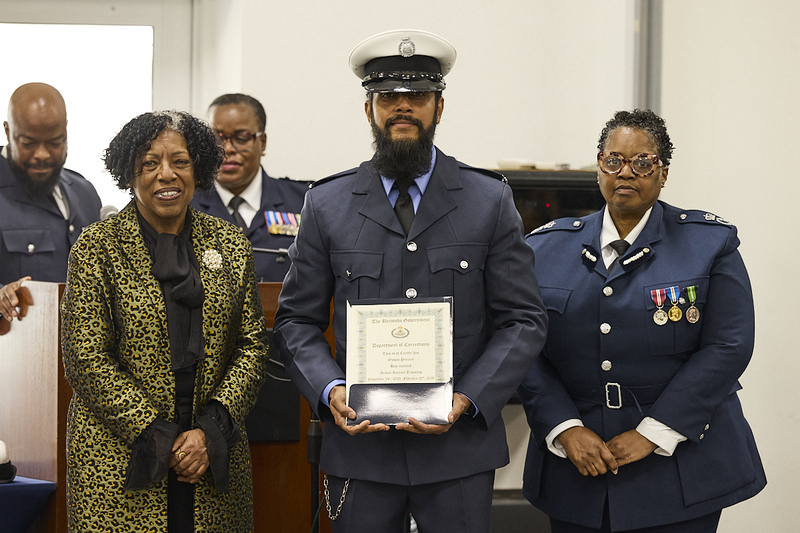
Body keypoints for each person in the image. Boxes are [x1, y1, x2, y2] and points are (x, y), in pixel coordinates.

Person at [273, 29, 548, 533]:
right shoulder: (327, 203)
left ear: (439, 108)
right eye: (388, 98)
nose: (403, 108)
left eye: (417, 97)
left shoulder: (487, 200)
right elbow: (295, 320)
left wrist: (465, 399)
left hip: (456, 449)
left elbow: (523, 320)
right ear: (369, 110)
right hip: (361, 448)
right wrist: (330, 387)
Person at [518, 109, 766, 532]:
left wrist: (654, 431)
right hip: (578, 464)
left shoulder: (709, 243)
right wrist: (563, 427)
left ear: (663, 172)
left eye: (642, 162)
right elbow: (522, 345)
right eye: (614, 161)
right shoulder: (544, 249)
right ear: (600, 166)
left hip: (680, 463)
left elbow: (728, 346)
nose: (625, 172)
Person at [60, 110, 269, 531]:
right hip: (119, 460)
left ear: (200, 168)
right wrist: (159, 435)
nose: (166, 175)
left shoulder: (229, 244)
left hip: (211, 455)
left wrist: (209, 433)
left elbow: (252, 346)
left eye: (180, 161)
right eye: (150, 163)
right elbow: (85, 358)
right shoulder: (96, 247)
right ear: (129, 172)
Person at [0, 82, 101, 324]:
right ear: (7, 131)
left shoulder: (84, 191)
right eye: (28, 143)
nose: (42, 154)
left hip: (81, 355)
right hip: (14, 353)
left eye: (55, 142)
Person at [190, 93, 310, 283]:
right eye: (216, 138)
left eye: (241, 138)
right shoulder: (186, 206)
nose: (227, 149)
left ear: (262, 143)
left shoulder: (303, 202)